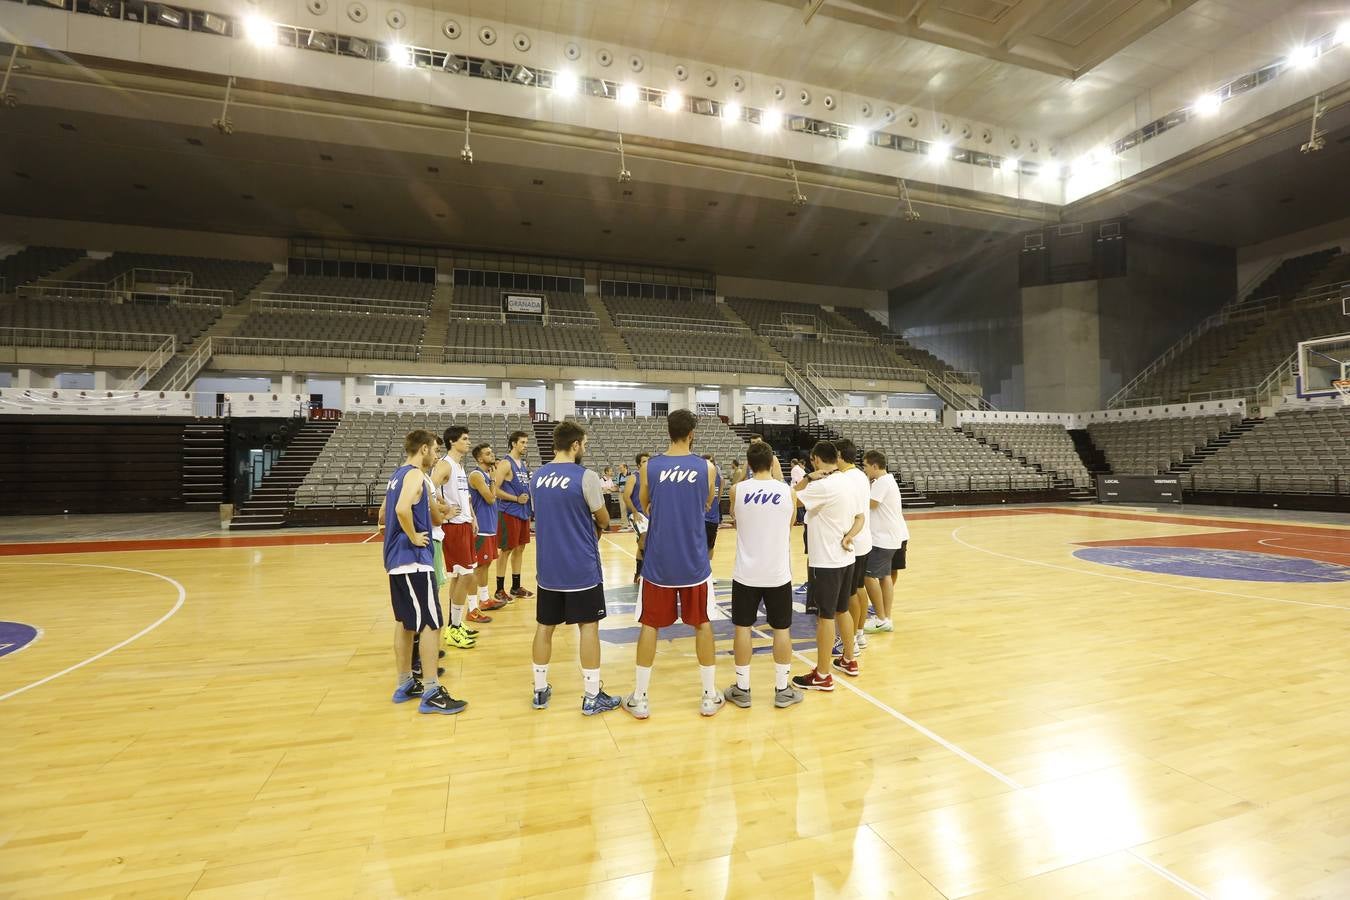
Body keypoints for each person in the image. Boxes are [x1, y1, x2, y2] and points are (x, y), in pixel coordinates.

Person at [623, 410, 722, 719]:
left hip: (659, 561)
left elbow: (645, 503)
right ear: (691, 433)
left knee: (650, 624)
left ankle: (640, 698)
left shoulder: (649, 466)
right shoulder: (707, 468)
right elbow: (707, 503)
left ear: (668, 431)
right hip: (693, 560)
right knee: (702, 623)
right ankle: (708, 696)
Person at [529, 420, 622, 715]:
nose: (585, 448)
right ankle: (592, 696)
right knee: (589, 627)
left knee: (545, 628)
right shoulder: (586, 476)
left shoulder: (536, 478)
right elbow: (604, 520)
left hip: (548, 570)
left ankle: (540, 691)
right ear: (575, 445)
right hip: (580, 567)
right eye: (584, 444)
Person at [380, 429, 466, 715]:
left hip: (396, 561)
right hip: (413, 559)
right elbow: (403, 510)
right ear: (424, 449)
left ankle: (405, 682)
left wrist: (439, 514)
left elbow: (384, 514)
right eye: (435, 449)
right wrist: (416, 536)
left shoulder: (397, 475)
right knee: (431, 623)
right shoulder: (416, 475)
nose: (437, 454)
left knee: (405, 623)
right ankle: (431, 690)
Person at [724, 440, 802, 709]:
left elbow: (734, 519)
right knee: (782, 630)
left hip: (746, 573)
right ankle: (782, 689)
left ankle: (743, 688)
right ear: (772, 463)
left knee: (742, 629)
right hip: (777, 573)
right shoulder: (788, 492)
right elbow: (790, 524)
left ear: (748, 464)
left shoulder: (737, 490)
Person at [791, 441, 864, 692]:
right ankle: (849, 658)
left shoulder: (821, 486)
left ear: (816, 460)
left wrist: (808, 478)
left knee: (825, 617)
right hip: (846, 558)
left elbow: (792, 499)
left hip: (826, 560)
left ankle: (822, 674)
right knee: (843, 610)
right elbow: (860, 517)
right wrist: (850, 536)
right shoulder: (848, 481)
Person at [433, 425, 479, 648]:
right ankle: (454, 627)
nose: (468, 442)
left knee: (460, 577)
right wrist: (444, 510)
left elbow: (465, 498)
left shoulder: (460, 466)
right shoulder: (444, 464)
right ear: (452, 442)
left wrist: (473, 518)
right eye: (465, 439)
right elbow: (428, 488)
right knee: (467, 576)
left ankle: (454, 625)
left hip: (464, 524)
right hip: (453, 527)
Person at [832, 438, 872, 663]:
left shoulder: (846, 478)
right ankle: (859, 633)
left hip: (853, 540)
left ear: (839, 455)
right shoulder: (860, 475)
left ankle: (853, 641)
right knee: (858, 587)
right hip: (864, 538)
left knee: (849, 594)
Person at [863, 450, 908, 635]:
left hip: (883, 538)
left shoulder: (882, 482)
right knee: (886, 576)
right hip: (890, 536)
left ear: (875, 466)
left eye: (865, 466)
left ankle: (881, 618)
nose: (864, 469)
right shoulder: (885, 480)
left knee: (868, 576)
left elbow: (870, 504)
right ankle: (885, 617)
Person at [493, 430, 534, 605]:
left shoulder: (522, 464)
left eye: (526, 442)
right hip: (509, 512)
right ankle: (499, 589)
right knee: (507, 550)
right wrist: (515, 499)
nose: (526, 445)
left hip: (523, 512)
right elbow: (494, 490)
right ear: (513, 444)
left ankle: (516, 587)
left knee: (520, 549)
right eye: (523, 442)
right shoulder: (505, 463)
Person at [468, 443, 508, 616]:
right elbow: (491, 499)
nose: (492, 455)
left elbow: (493, 496)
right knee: (477, 568)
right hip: (481, 528)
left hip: (490, 526)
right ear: (479, 458)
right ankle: (472, 605)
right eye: (488, 453)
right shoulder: (477, 475)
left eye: (492, 452)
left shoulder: (486, 474)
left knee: (486, 565)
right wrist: (492, 480)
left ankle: (485, 599)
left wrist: (491, 479)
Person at [622, 451, 650, 583]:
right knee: (644, 539)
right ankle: (647, 571)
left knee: (642, 544)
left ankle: (638, 573)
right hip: (636, 514)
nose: (647, 464)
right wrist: (634, 511)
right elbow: (626, 496)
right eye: (644, 461)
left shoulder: (651, 478)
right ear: (638, 465)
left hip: (649, 514)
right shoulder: (633, 477)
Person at [702, 453, 722, 558]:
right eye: (707, 462)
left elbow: (718, 498)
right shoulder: (699, 478)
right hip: (700, 518)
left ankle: (709, 570)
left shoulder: (718, 477)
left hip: (713, 518)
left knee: (710, 546)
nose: (710, 464)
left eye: (712, 461)